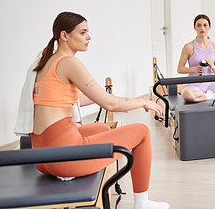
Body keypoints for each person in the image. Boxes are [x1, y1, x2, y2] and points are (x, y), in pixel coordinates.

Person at [29, 12, 169, 209]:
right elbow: (110, 104)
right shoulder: (69, 63)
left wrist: (118, 101)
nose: (89, 37)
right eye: (83, 32)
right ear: (64, 35)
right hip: (64, 159)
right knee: (142, 132)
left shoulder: (46, 62)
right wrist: (141, 102)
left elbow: (74, 99)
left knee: (102, 128)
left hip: (42, 156)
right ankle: (142, 203)